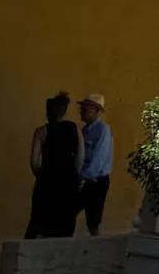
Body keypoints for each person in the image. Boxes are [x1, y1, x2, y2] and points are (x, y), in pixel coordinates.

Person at [25, 92, 83, 239]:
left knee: (41, 223)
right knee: (65, 225)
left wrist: (42, 176)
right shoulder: (74, 128)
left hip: (47, 180)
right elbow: (81, 157)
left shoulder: (41, 132)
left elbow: (34, 161)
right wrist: (73, 175)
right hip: (68, 181)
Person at [77, 94, 112, 236]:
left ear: (97, 111)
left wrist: (82, 177)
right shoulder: (84, 131)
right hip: (84, 179)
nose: (82, 111)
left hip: (96, 180)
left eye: (86, 108)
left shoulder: (103, 131)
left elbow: (98, 159)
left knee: (93, 221)